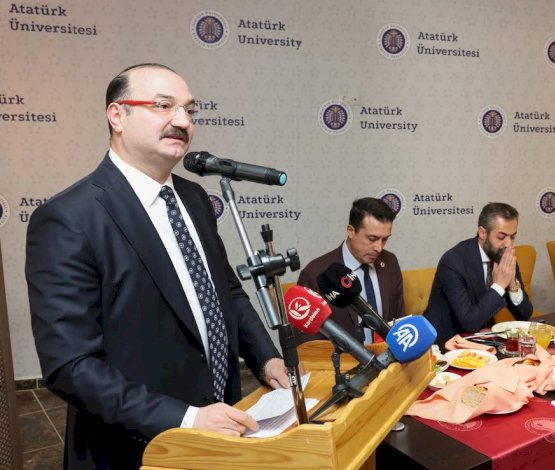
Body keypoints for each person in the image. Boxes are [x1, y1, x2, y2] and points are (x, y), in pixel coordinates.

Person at [25, 63, 291, 469]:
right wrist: (186, 419)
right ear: (117, 115)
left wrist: (266, 358)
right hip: (133, 447)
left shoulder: (195, 200)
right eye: (163, 106)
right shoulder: (68, 218)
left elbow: (225, 292)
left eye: (189, 110)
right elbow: (70, 365)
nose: (182, 121)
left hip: (224, 425)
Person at [294, 197, 404, 344]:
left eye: (384, 239)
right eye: (372, 238)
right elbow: (309, 344)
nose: (379, 248)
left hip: (389, 356)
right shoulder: (315, 274)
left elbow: (399, 319)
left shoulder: (390, 262)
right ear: (351, 231)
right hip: (340, 359)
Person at [424, 202, 533, 343]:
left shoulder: (504, 256)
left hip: (481, 339)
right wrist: (500, 285)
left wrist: (512, 284)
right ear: (482, 233)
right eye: (501, 237)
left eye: (512, 237)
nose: (509, 244)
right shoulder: (453, 262)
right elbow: (469, 322)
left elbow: (525, 315)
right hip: (445, 342)